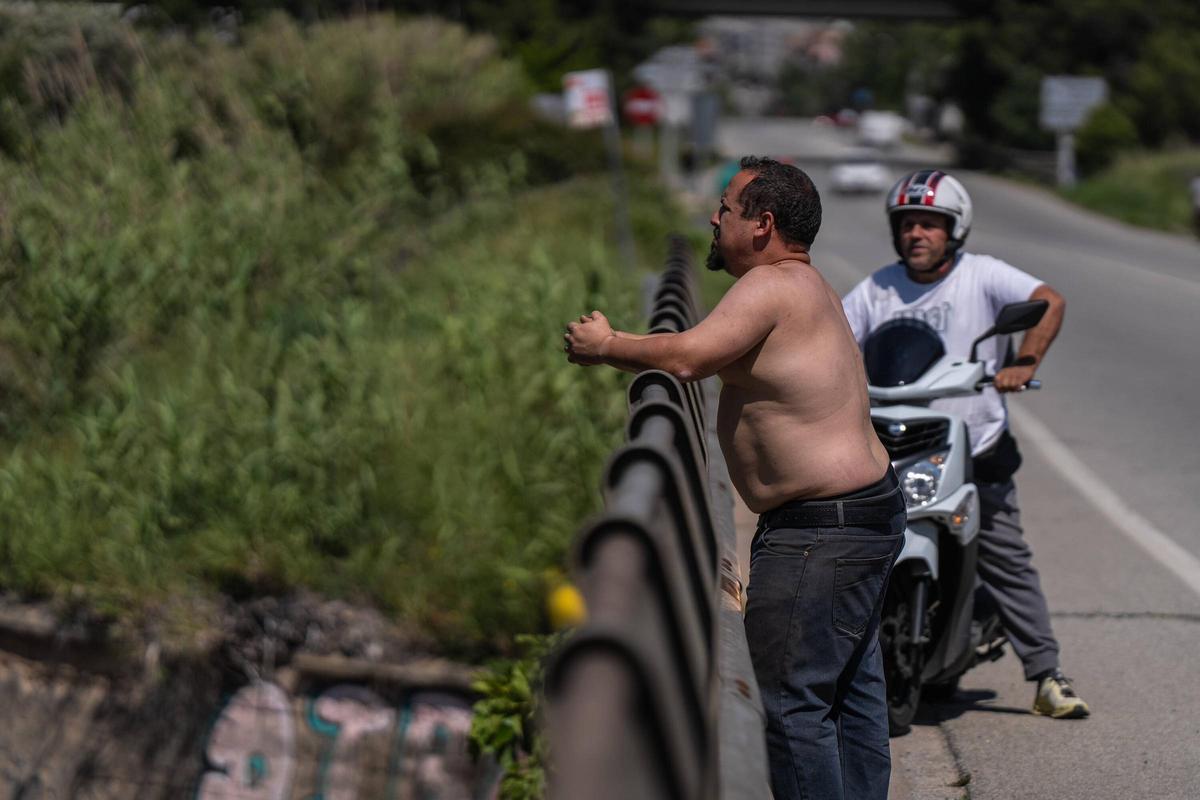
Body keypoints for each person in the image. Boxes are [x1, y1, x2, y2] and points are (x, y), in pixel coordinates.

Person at [564, 156, 903, 800]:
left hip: (819, 532)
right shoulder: (809, 285)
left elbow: (690, 356)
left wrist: (607, 345)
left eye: (726, 208)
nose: (713, 219)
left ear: (762, 224)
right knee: (852, 699)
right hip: (862, 514)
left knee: (791, 709)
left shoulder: (772, 286)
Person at [841, 169, 1089, 719]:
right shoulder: (878, 287)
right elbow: (834, 333)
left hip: (973, 443)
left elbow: (1048, 300)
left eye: (930, 223)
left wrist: (1023, 362)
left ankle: (1047, 673)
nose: (917, 234)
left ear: (955, 229)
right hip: (895, 446)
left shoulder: (982, 275)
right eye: (907, 224)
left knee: (1005, 556)